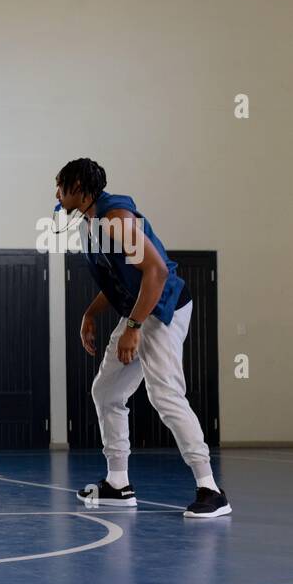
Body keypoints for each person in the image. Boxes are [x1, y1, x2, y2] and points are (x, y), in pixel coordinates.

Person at [56, 158, 231, 518]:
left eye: (60, 185)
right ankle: (117, 484)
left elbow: (156, 271)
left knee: (164, 394)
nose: (56, 193)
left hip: (164, 307)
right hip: (140, 307)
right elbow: (119, 279)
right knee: (106, 391)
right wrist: (90, 314)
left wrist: (133, 329)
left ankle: (211, 490)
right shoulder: (90, 223)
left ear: (78, 187)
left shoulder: (117, 220)